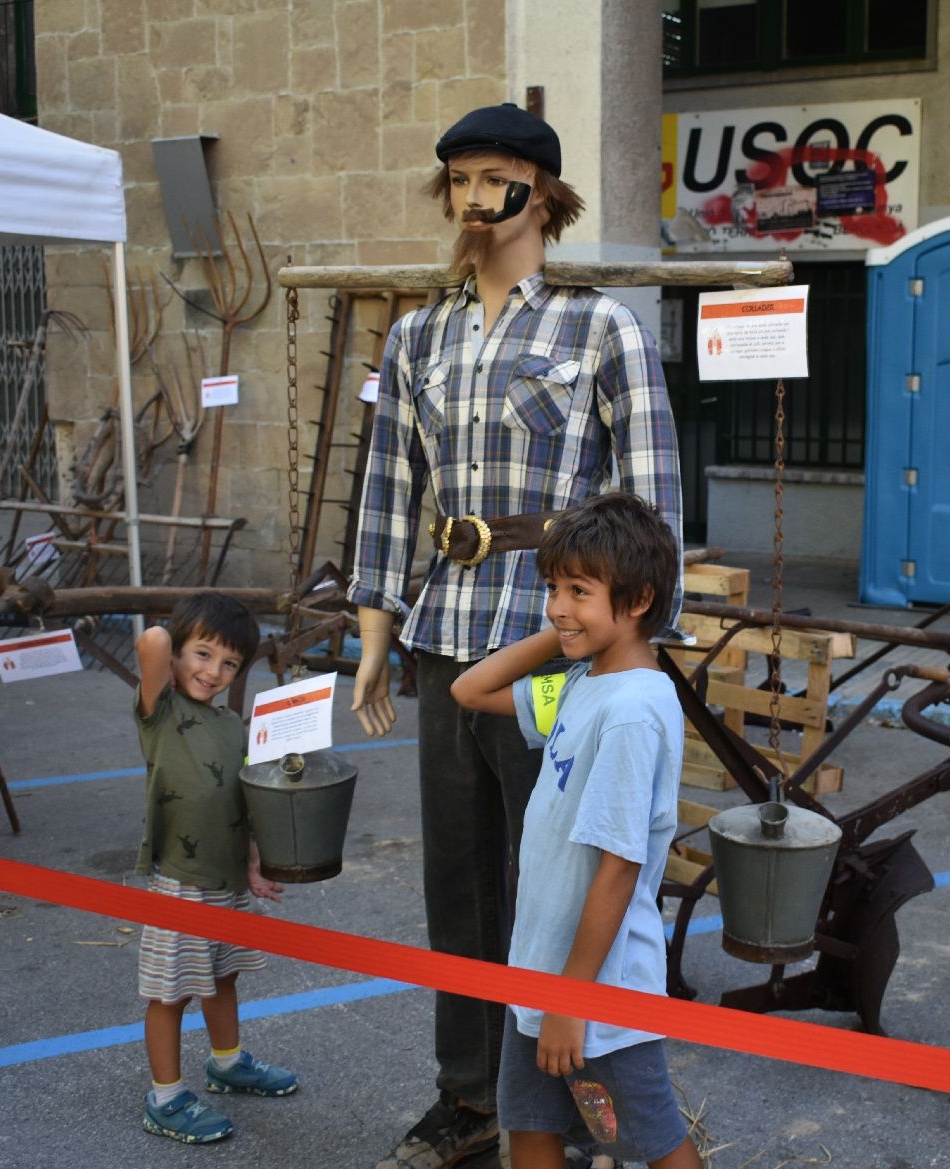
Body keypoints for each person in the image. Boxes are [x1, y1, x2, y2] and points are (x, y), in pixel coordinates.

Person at [346, 102, 684, 1169]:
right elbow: (387, 495)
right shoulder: (417, 335)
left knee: (567, 874)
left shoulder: (600, 329)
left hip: (557, 648)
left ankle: (581, 1084)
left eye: (489, 175)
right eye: (452, 178)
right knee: (459, 882)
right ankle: (469, 1092)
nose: (468, 197)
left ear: (538, 191)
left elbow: (649, 504)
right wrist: (372, 633)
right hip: (451, 640)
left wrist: (633, 650)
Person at [449, 493, 700, 1169]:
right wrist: (569, 629)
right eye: (554, 588)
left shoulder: (632, 710)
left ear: (640, 597)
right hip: (542, 966)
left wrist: (572, 998)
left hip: (597, 992)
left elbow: (619, 866)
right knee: (531, 1126)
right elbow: (470, 690)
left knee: (654, 1140)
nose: (558, 604)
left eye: (579, 590)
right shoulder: (586, 680)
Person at [132, 593, 298, 1145]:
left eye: (229, 664)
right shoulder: (161, 712)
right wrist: (176, 644)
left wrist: (253, 866)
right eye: (202, 656)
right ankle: (166, 1096)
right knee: (170, 993)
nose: (214, 672)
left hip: (226, 883)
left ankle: (226, 1063)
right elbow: (152, 642)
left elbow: (242, 803)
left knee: (222, 978)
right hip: (180, 882)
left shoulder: (233, 726)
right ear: (177, 655)